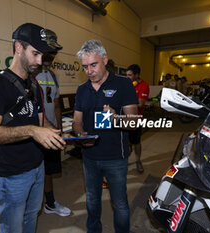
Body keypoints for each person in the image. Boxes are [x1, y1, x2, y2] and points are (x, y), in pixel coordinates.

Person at [0, 23, 67, 233]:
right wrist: (31, 131)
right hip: (12, 175)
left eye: (42, 55)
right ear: (19, 47)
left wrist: (56, 132)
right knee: (12, 227)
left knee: (31, 217)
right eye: (35, 53)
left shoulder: (33, 84)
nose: (40, 61)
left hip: (37, 167)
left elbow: (39, 121)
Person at [73, 39, 138, 233]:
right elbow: (77, 121)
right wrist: (79, 134)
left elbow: (133, 122)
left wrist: (115, 118)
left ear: (105, 59)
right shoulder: (82, 90)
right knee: (92, 200)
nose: (89, 71)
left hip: (115, 158)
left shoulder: (123, 84)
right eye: (85, 67)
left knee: (119, 203)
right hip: (89, 157)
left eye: (93, 65)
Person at [34, 30, 71, 217]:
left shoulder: (53, 76)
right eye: (48, 52)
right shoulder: (30, 75)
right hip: (34, 134)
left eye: (54, 53)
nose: (51, 56)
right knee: (33, 173)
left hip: (51, 131)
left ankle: (49, 203)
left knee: (48, 170)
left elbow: (56, 105)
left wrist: (60, 130)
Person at [126, 64, 149, 173]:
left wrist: (125, 102)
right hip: (124, 119)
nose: (128, 77)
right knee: (125, 141)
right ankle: (124, 160)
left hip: (136, 119)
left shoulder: (144, 86)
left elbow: (140, 104)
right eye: (127, 75)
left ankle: (138, 161)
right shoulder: (126, 84)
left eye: (130, 75)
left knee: (136, 142)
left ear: (137, 75)